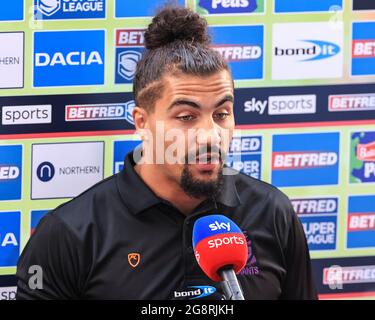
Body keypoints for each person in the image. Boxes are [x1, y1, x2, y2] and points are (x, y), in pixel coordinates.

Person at [16, 6, 317, 300]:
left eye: (222, 113)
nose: (211, 135)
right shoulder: (68, 233)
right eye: (186, 117)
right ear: (142, 123)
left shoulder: (272, 212)